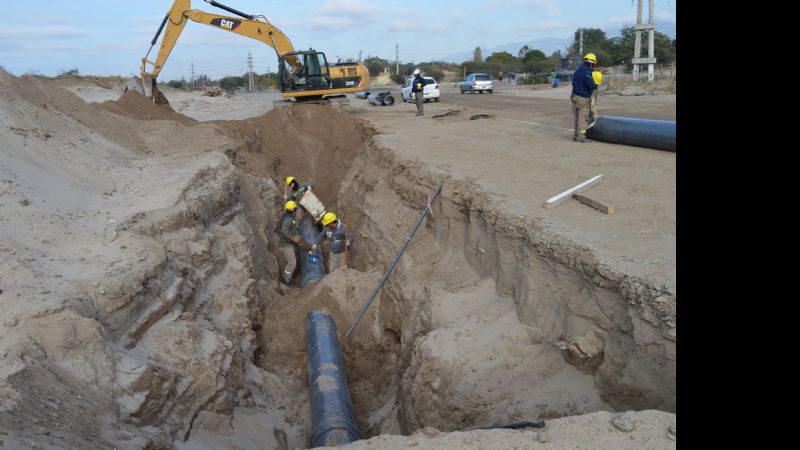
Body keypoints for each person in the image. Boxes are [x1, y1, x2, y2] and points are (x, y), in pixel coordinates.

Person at [279, 200, 310, 287]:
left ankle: (288, 277)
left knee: (291, 261)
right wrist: (293, 238)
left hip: (289, 243)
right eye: (295, 209)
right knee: (292, 263)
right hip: (286, 245)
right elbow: (283, 230)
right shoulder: (287, 219)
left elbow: (292, 226)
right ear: (292, 210)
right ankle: (286, 279)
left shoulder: (289, 217)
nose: (296, 211)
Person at [570, 53, 598, 143]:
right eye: (594, 64)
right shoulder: (588, 73)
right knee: (583, 118)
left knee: (577, 118)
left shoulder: (577, 71)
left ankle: (576, 136)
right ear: (591, 63)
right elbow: (592, 86)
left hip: (574, 97)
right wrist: (596, 83)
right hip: (583, 99)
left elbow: (573, 84)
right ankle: (581, 137)